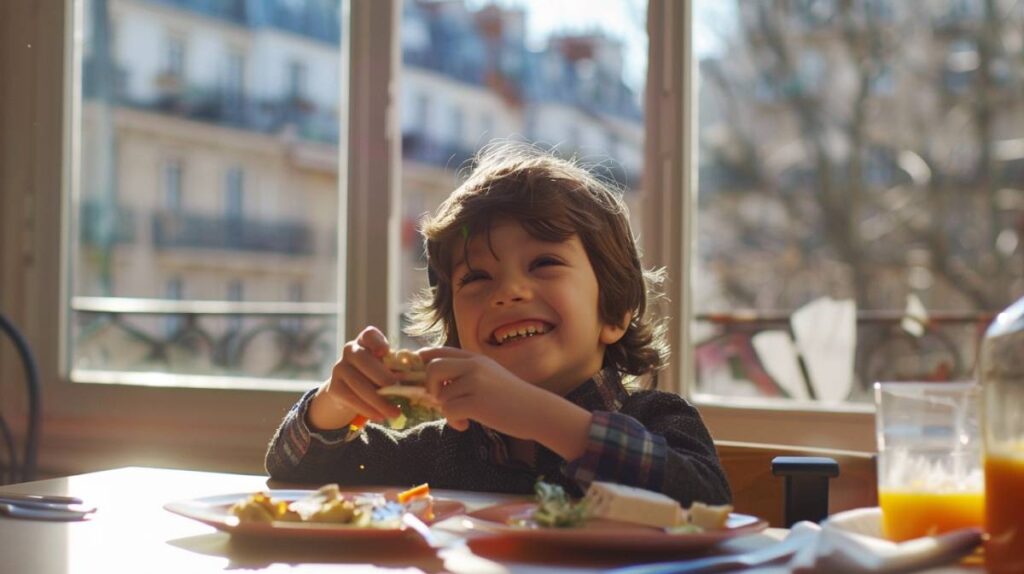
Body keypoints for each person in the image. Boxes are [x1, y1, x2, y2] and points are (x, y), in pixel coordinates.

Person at [265, 143, 731, 506]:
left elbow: (706, 501)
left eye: (544, 263)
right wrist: (335, 401)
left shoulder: (658, 419)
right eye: (478, 277)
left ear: (614, 311)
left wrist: (536, 414)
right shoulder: (444, 449)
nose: (507, 291)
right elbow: (293, 471)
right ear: (455, 331)